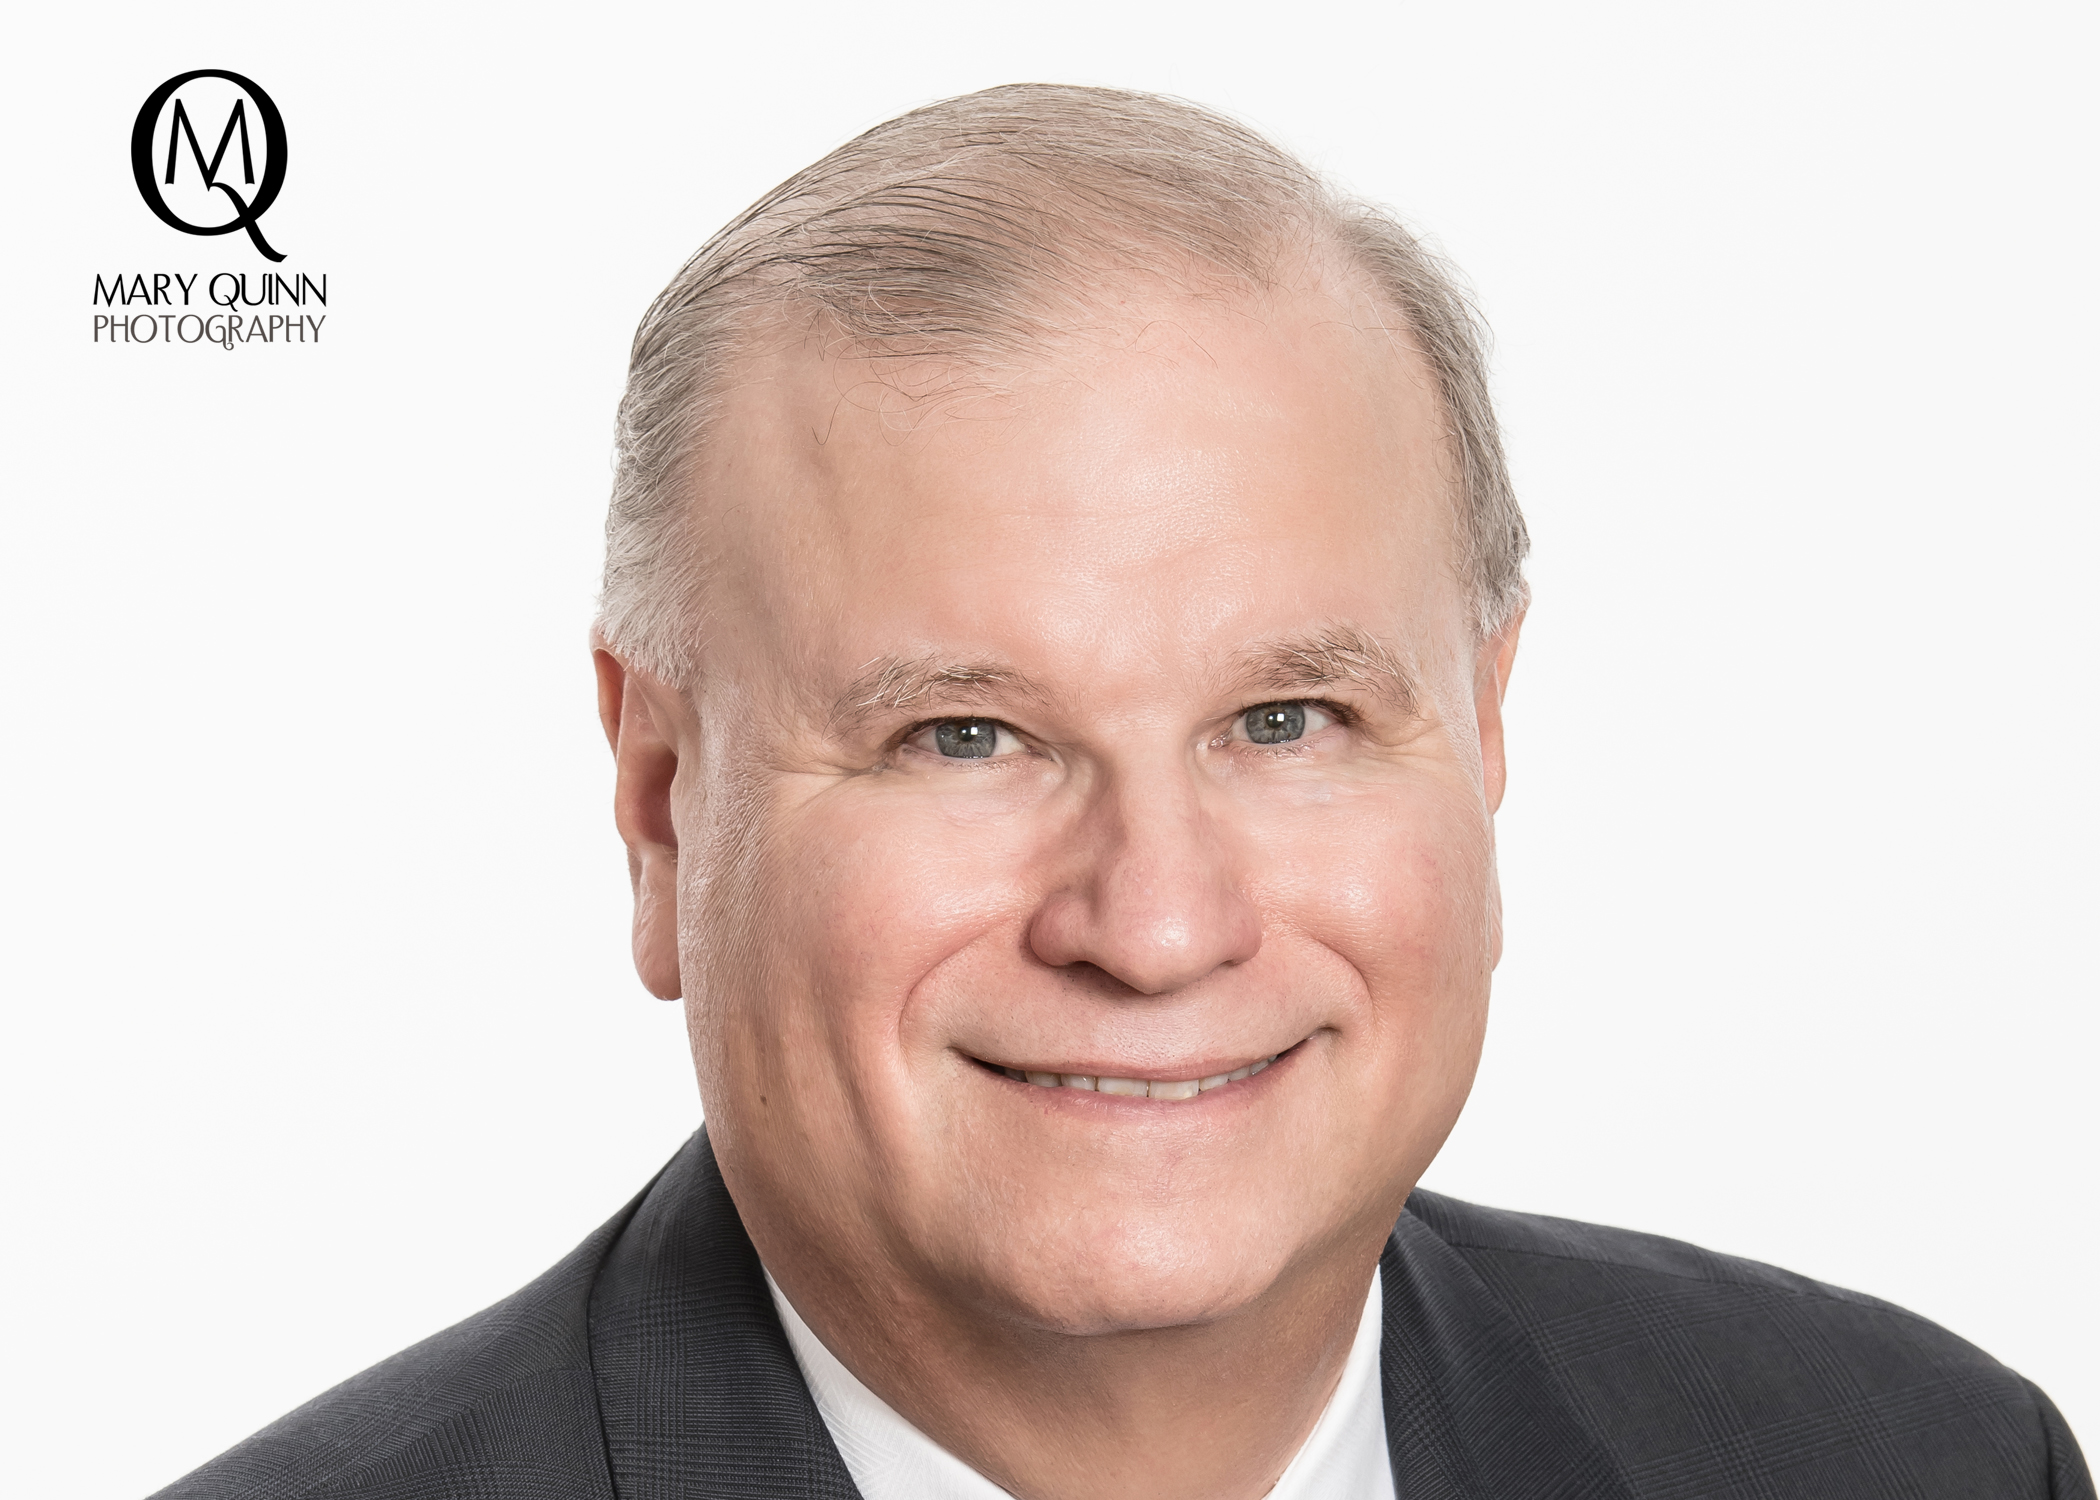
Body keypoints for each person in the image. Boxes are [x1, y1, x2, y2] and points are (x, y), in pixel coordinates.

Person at [154, 83, 2091, 1500]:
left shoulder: (1922, 1461)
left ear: (1485, 734)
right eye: (964, 737)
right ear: (665, 808)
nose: (1157, 925)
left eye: (1290, 719)